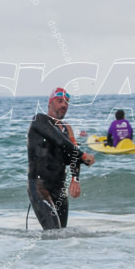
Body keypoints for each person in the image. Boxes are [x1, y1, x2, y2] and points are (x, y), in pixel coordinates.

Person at [27, 88, 95, 230]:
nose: (64, 105)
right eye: (59, 101)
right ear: (50, 103)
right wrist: (83, 156)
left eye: (67, 102)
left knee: (61, 234)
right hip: (39, 186)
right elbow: (58, 140)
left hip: (59, 189)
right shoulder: (39, 120)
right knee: (52, 231)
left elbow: (72, 154)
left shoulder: (67, 129)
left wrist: (75, 179)